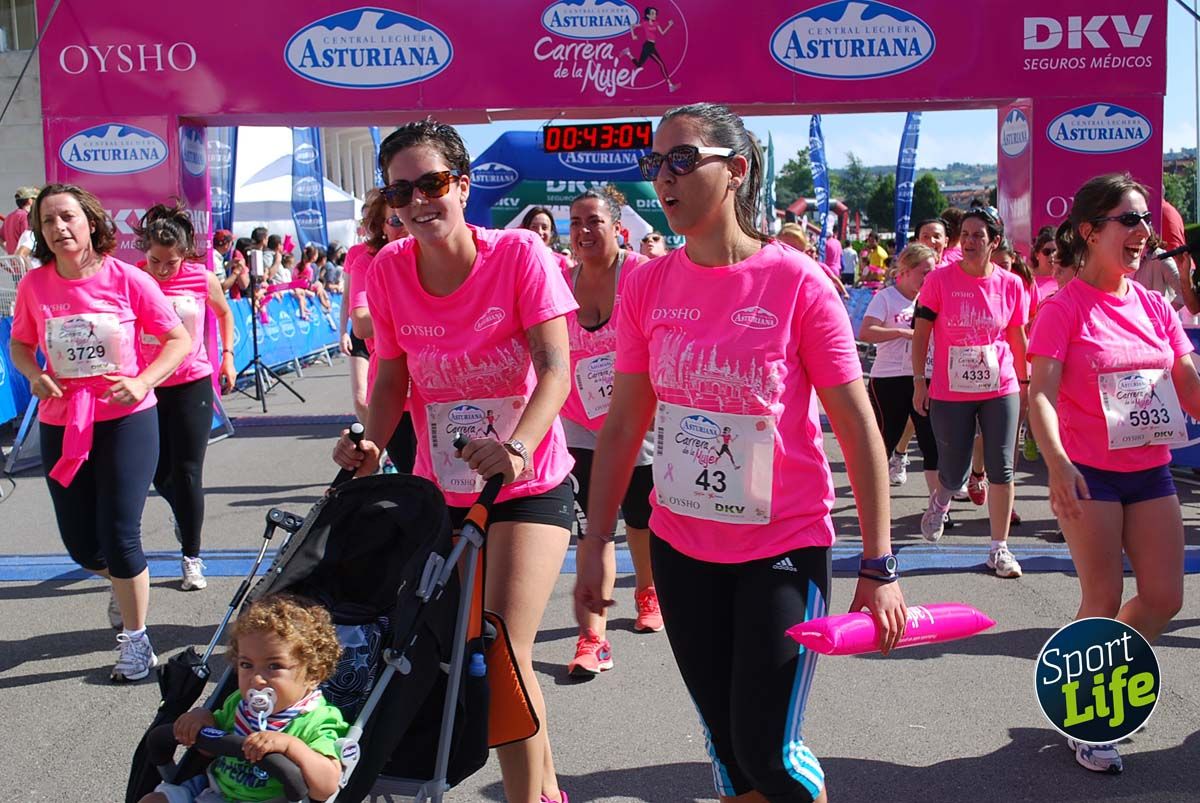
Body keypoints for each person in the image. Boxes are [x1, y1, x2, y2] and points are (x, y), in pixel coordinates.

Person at [576, 103, 905, 803]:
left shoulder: (798, 282)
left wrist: (879, 564)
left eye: (682, 159)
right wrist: (597, 539)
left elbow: (858, 429)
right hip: (681, 548)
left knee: (770, 752)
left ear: (737, 170)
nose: (664, 177)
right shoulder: (647, 285)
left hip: (780, 546)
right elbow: (625, 422)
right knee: (728, 751)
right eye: (655, 163)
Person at [332, 119, 577, 803]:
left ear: (462, 186)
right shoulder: (388, 269)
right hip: (444, 490)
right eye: (400, 190)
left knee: (501, 648)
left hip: (528, 482)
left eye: (432, 183)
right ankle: (547, 789)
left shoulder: (520, 254)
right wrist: (369, 444)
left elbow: (556, 370)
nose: (418, 200)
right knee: (476, 653)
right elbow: (390, 380)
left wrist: (517, 447)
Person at [1028, 172, 1195, 774]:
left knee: (1164, 598)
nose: (1143, 231)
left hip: (1150, 471)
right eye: (1129, 219)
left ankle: (1104, 666)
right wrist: (1056, 462)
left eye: (1145, 219)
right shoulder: (1063, 307)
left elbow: (1187, 380)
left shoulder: (1154, 305)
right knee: (1102, 596)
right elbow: (1039, 394)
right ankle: (1088, 717)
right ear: (1090, 231)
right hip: (1088, 474)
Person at [8, 184, 191, 681]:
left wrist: (143, 381)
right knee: (82, 546)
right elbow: (21, 344)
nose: (59, 228)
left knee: (119, 533)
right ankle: (125, 585)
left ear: (91, 222)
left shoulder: (128, 278)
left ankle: (135, 640)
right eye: (48, 221)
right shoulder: (35, 285)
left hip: (127, 419)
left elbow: (177, 339)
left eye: (68, 217)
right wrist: (34, 374)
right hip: (63, 420)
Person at [560, 185, 659, 678]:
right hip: (578, 423)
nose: (583, 230)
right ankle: (592, 638)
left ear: (618, 228)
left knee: (639, 519)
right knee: (592, 530)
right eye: (576, 222)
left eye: (594, 221)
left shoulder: (640, 274)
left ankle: (647, 591)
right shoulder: (561, 280)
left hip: (638, 422)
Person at [140, 594, 348, 803]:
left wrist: (291, 747)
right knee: (153, 800)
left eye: (274, 666)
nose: (256, 679)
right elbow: (208, 750)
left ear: (313, 674)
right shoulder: (239, 703)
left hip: (270, 800)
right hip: (214, 790)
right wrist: (202, 720)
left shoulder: (319, 719)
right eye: (246, 665)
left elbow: (326, 788)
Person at [912, 206, 1027, 577]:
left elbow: (1017, 337)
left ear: (995, 242)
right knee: (954, 468)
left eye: (978, 235)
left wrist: (1025, 383)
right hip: (951, 388)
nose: (969, 241)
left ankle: (999, 549)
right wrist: (919, 380)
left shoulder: (1011, 284)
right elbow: (921, 333)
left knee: (1002, 466)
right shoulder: (939, 280)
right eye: (965, 234)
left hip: (1000, 385)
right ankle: (941, 500)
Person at [135, 202, 236, 592]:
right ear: (144, 252)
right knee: (158, 473)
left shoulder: (201, 278)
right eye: (155, 261)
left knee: (189, 471)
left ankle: (191, 556)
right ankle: (183, 512)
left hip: (193, 381)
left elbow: (224, 313)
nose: (162, 270)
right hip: (148, 385)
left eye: (171, 263)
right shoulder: (134, 278)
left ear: (186, 255)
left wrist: (227, 355)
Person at [860, 243, 940, 498]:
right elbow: (866, 333)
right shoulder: (886, 297)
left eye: (933, 272)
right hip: (889, 378)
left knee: (931, 441)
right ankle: (870, 496)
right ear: (905, 270)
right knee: (885, 438)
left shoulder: (932, 299)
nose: (929, 278)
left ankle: (938, 505)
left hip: (924, 377)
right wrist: (902, 332)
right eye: (924, 272)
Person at [348, 196, 418, 474]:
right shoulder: (367, 262)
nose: (406, 227)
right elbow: (361, 324)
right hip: (392, 391)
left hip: (439, 389)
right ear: (382, 226)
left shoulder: (440, 260)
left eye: (411, 217)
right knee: (411, 477)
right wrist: (423, 315)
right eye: (396, 220)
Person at [778, 223, 848, 297]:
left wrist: (844, 292)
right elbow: (841, 259)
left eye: (812, 251)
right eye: (808, 251)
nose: (810, 253)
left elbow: (835, 279)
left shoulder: (821, 263)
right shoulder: (837, 243)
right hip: (836, 269)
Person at [621, 6, 679, 92]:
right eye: (652, 13)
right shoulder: (645, 23)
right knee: (661, 64)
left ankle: (628, 53)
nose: (654, 15)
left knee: (639, 65)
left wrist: (669, 25)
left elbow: (662, 33)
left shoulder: (656, 23)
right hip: (648, 46)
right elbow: (632, 26)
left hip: (651, 46)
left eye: (655, 13)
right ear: (648, 15)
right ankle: (670, 85)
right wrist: (633, 35)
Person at [521, 205, 572, 272]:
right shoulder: (516, 260)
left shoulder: (562, 263)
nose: (539, 232)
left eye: (544, 228)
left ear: (551, 232)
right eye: (534, 227)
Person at [3, 186, 37, 255]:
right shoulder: (25, 217)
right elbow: (28, 240)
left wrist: (9, 250)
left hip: (13, 259)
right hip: (25, 259)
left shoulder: (9, 217)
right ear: (30, 201)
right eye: (35, 199)